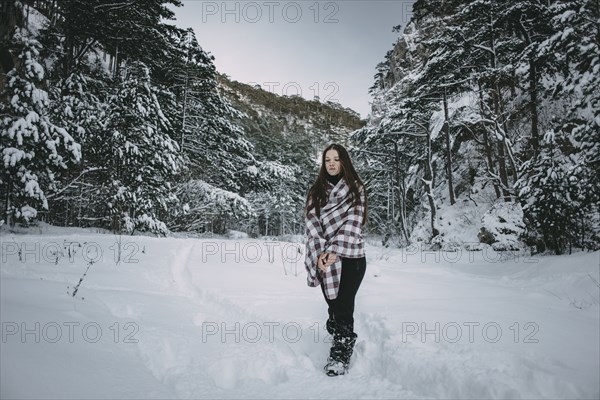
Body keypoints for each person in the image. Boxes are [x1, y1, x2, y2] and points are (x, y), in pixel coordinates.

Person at [304, 143, 367, 376]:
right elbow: (312, 225)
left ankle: (341, 350)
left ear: (344, 162)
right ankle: (334, 319)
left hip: (351, 255)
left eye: (336, 158)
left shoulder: (355, 189)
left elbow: (354, 221)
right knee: (333, 303)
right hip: (323, 256)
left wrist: (335, 250)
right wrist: (321, 253)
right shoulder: (316, 191)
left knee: (343, 305)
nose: (331, 163)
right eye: (327, 159)